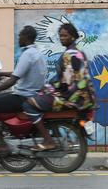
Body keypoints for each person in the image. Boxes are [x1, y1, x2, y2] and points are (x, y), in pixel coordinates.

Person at [22, 23, 96, 151]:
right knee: (41, 96)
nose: (62, 38)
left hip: (72, 98)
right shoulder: (79, 52)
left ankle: (48, 140)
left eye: (65, 35)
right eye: (60, 35)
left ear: (72, 36)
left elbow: (66, 83)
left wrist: (49, 88)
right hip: (82, 97)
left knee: (28, 103)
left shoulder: (70, 54)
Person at [0, 26, 47, 154]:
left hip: (22, 96)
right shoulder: (37, 53)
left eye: (20, 36)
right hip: (33, 94)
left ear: (26, 38)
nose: (18, 39)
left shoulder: (27, 55)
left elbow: (12, 81)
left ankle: (1, 143)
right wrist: (3, 73)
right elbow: (19, 73)